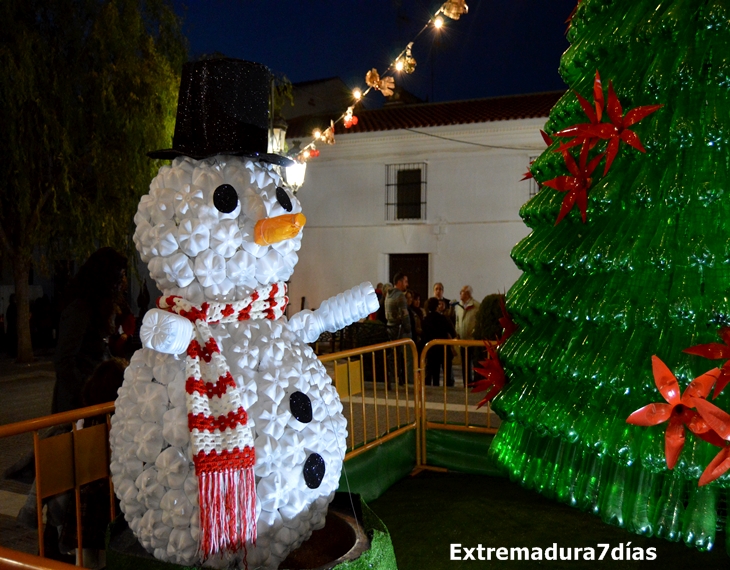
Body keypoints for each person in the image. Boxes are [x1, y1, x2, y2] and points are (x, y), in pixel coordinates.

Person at [52, 247, 129, 414]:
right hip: (77, 404)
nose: (124, 282)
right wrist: (87, 391)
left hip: (93, 400)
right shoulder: (79, 310)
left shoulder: (98, 308)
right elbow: (64, 360)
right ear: (107, 279)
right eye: (121, 276)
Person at [421, 297, 457, 386]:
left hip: (430, 349)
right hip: (444, 349)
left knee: (433, 373)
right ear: (437, 306)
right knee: (447, 373)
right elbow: (452, 332)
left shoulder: (425, 320)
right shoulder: (443, 319)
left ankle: (433, 390)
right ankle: (447, 390)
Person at [385, 272, 411, 385]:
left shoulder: (388, 294)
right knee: (406, 356)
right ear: (399, 282)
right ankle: (406, 379)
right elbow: (404, 315)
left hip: (390, 329)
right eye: (405, 281)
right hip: (400, 331)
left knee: (393, 357)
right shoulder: (400, 296)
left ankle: (394, 378)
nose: (407, 284)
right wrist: (409, 328)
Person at [455, 285, 480, 386]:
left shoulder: (476, 306)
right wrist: (457, 331)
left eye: (462, 292)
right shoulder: (459, 306)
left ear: (468, 294)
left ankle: (475, 382)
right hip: (462, 340)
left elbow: (478, 321)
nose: (460, 294)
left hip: (472, 339)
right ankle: (466, 382)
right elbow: (457, 320)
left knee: (474, 362)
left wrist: (474, 332)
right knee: (464, 363)